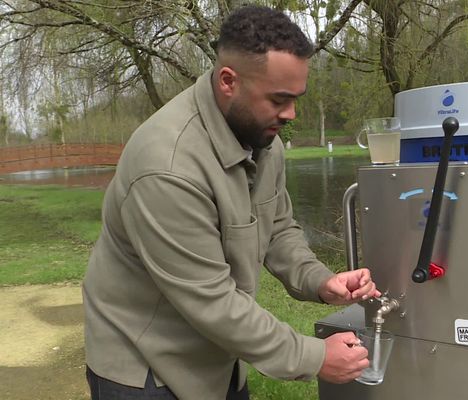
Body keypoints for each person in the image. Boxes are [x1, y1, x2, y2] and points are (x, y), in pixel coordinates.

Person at [83, 5, 380, 400]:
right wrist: (312, 357)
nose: (290, 114)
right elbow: (211, 301)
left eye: (296, 98)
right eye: (278, 99)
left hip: (219, 353)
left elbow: (277, 227)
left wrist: (320, 280)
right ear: (228, 81)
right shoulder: (167, 167)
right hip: (146, 370)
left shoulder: (260, 134)